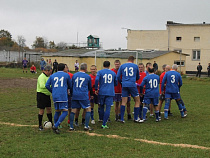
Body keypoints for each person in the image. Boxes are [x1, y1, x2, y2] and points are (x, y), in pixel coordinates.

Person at [45, 63, 72, 134]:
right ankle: (56, 125)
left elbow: (47, 85)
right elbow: (70, 85)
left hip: (55, 95)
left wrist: (53, 91)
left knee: (57, 111)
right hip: (62, 95)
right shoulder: (66, 75)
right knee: (65, 111)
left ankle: (55, 126)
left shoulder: (52, 75)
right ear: (63, 68)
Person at [69, 63, 93, 131]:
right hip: (83, 95)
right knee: (88, 109)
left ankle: (71, 126)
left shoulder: (74, 75)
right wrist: (91, 94)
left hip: (75, 94)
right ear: (86, 68)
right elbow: (90, 87)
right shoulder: (87, 76)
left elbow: (71, 85)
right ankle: (86, 126)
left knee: (73, 110)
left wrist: (72, 93)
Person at [117, 56, 141, 123]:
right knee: (137, 100)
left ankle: (122, 118)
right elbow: (138, 77)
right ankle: (136, 118)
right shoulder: (135, 66)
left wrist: (122, 82)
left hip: (124, 84)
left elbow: (118, 76)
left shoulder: (122, 66)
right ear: (133, 60)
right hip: (132, 84)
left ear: (128, 59)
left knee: (123, 101)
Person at [95, 61, 117, 129]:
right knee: (108, 107)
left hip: (102, 91)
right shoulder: (113, 73)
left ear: (103, 65)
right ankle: (104, 123)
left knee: (101, 106)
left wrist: (96, 88)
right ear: (109, 66)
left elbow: (96, 79)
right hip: (110, 92)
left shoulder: (100, 72)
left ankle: (101, 119)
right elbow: (116, 83)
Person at [36, 66, 53, 131]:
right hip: (41, 95)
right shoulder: (41, 77)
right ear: (46, 71)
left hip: (47, 95)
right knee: (41, 110)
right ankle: (40, 125)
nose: (50, 73)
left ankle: (51, 122)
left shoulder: (48, 76)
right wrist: (50, 86)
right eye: (50, 72)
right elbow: (42, 86)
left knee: (49, 109)